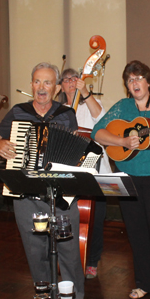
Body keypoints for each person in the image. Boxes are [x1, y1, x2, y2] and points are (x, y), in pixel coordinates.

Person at [0, 62, 100, 299]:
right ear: (31, 85)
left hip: (59, 195)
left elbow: (74, 149)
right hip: (26, 195)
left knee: (69, 250)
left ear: (57, 87)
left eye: (47, 83)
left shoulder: (66, 114)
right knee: (35, 251)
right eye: (37, 82)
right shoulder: (18, 112)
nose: (41, 88)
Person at [91, 60, 150, 299]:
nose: (134, 83)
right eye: (129, 80)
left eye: (138, 78)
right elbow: (97, 133)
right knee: (136, 233)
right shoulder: (122, 108)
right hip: (128, 177)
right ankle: (144, 283)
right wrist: (121, 142)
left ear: (148, 81)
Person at [58, 68, 111, 279]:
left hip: (96, 169)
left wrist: (86, 93)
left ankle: (92, 261)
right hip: (68, 170)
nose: (71, 82)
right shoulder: (58, 109)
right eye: (66, 79)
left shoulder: (88, 104)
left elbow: (102, 117)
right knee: (67, 217)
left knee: (96, 219)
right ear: (61, 85)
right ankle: (69, 259)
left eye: (74, 78)